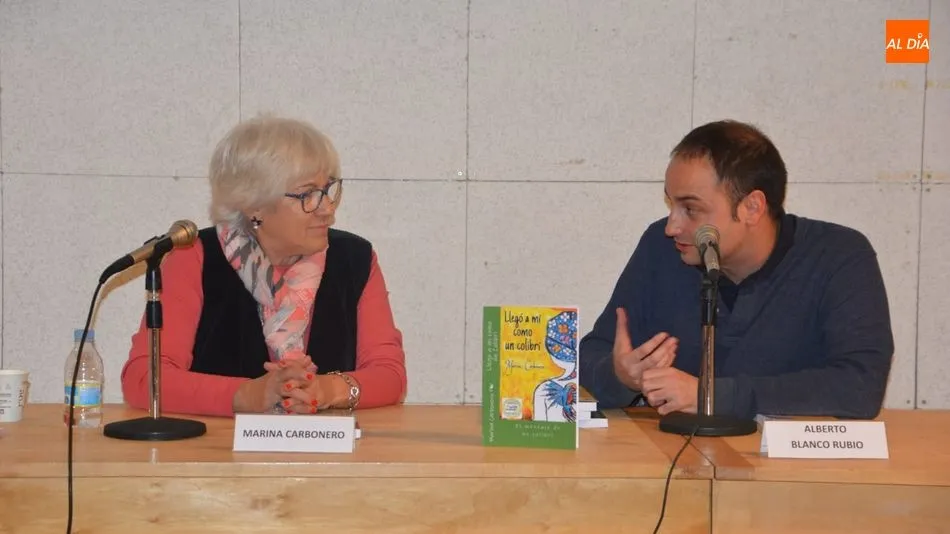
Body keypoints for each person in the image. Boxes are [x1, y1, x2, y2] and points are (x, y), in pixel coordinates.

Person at [578, 120, 894, 420]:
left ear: (751, 208)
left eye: (690, 209)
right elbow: (593, 353)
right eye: (671, 205)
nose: (672, 226)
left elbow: (860, 385)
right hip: (672, 462)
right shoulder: (661, 250)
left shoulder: (838, 256)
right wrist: (620, 376)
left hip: (788, 471)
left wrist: (713, 396)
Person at [120, 116, 407, 416]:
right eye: (307, 194)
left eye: (328, 189)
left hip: (329, 459)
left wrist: (325, 390)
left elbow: (390, 375)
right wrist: (246, 396)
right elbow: (144, 379)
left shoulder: (355, 259)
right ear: (254, 204)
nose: (328, 209)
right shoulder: (195, 257)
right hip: (217, 456)